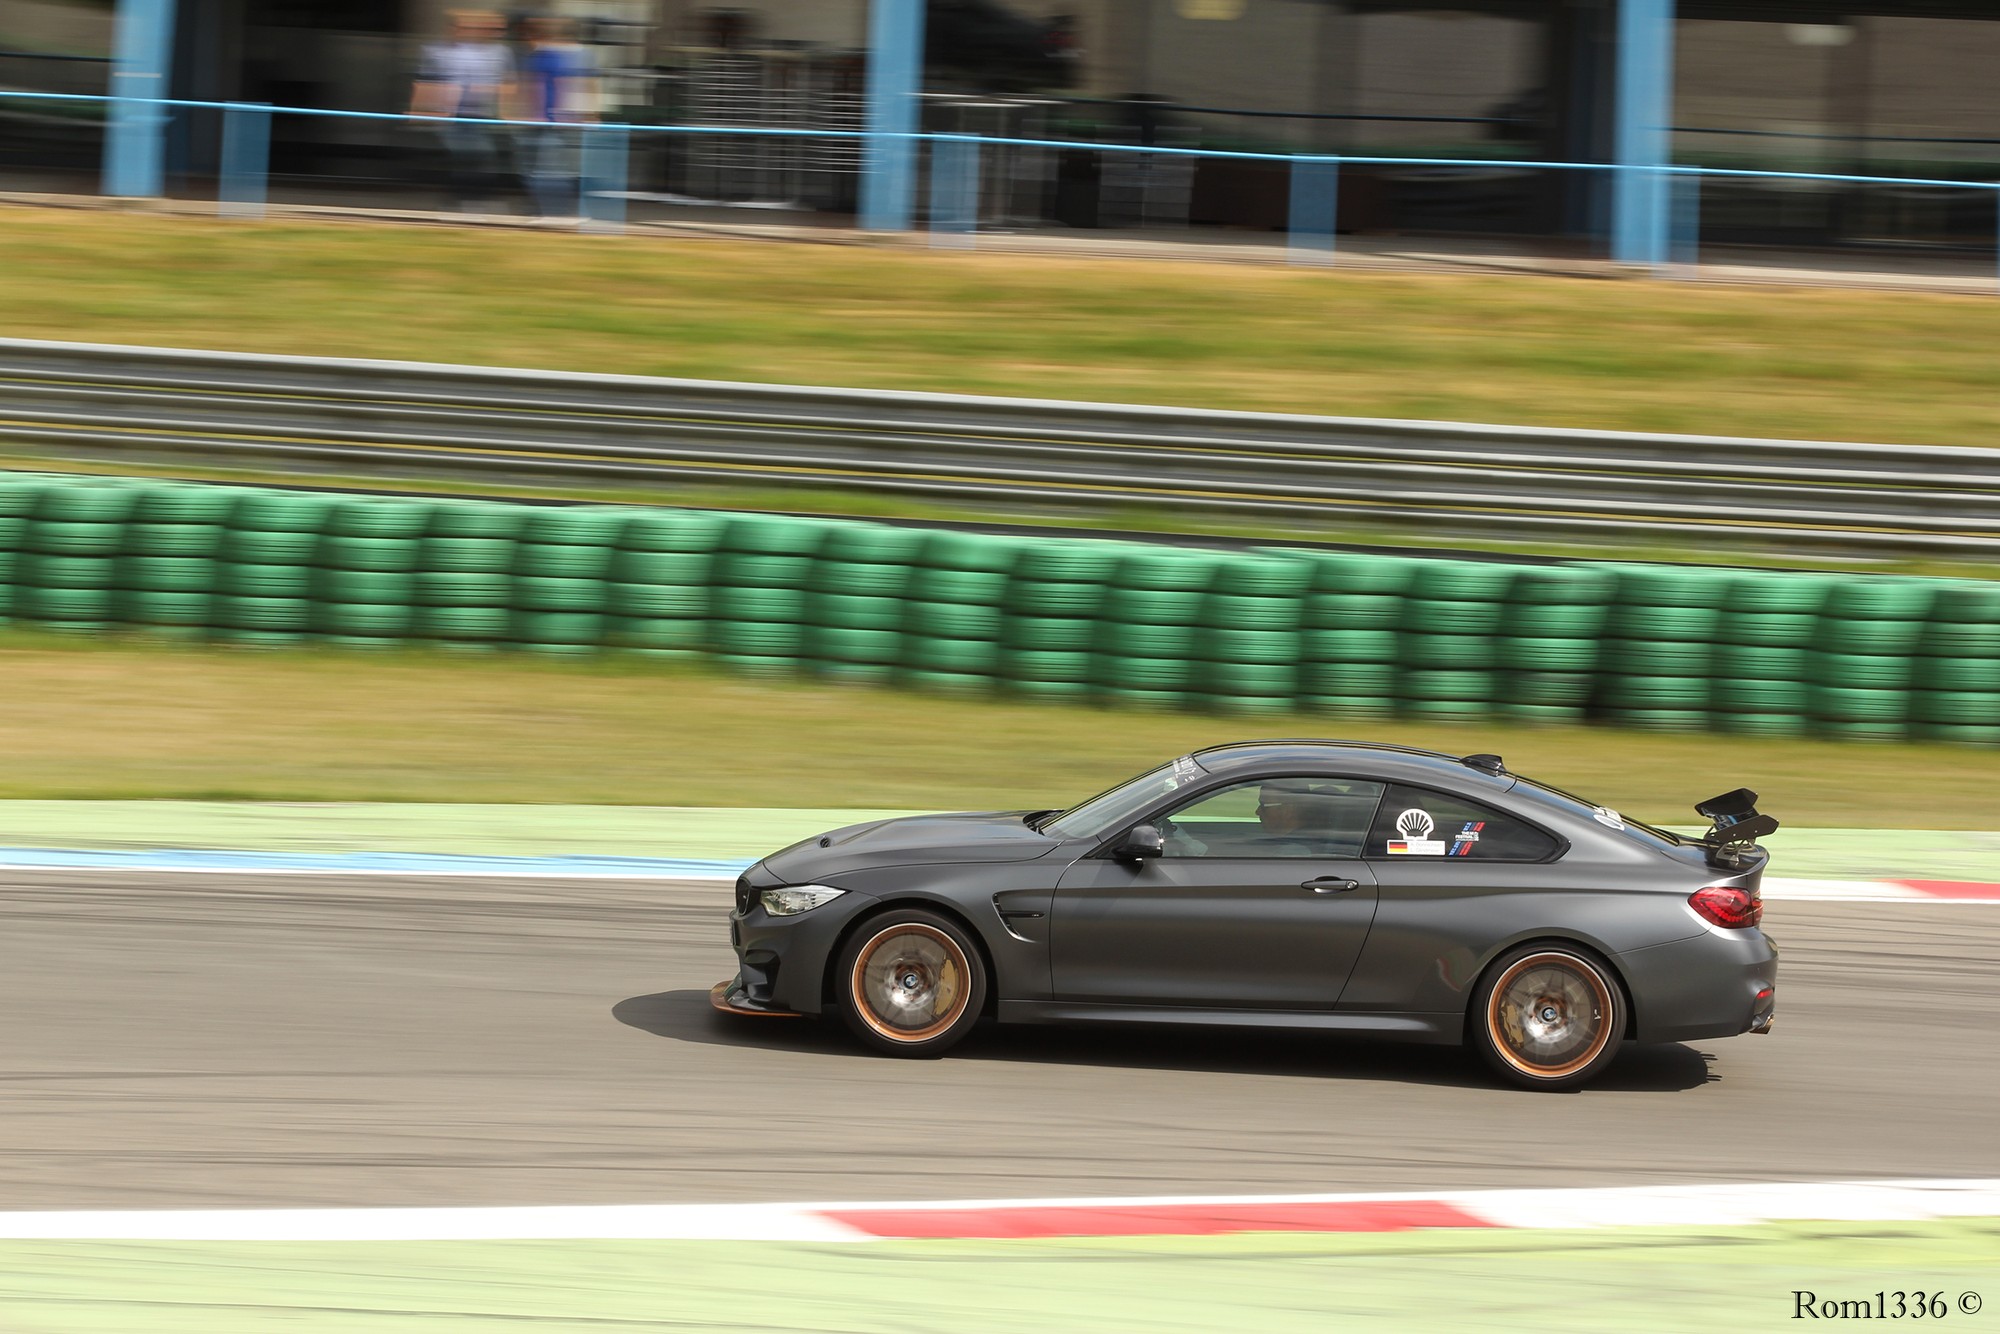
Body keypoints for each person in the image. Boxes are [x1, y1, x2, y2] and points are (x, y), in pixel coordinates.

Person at [411, 10, 517, 213]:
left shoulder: (499, 53)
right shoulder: (437, 51)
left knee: (479, 156)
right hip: (453, 115)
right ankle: (463, 201)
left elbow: (507, 83)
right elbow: (425, 80)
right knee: (471, 155)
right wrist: (421, 109)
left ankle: (466, 200)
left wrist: (505, 109)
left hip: (480, 115)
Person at [517, 16, 595, 221]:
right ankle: (548, 210)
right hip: (549, 120)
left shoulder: (547, 55)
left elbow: (557, 85)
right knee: (545, 166)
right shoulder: (543, 55)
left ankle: (553, 211)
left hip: (552, 121)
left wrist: (558, 115)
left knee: (549, 167)